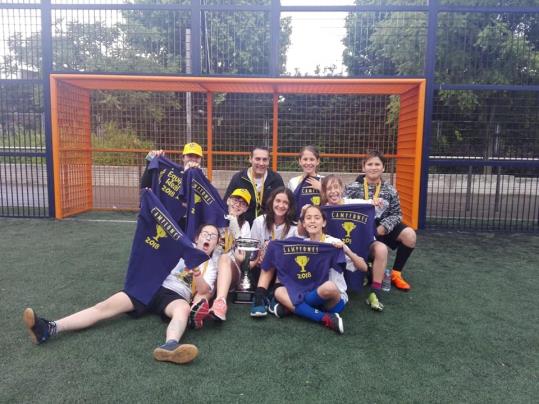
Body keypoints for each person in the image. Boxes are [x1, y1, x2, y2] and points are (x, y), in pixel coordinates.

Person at [23, 224, 220, 365]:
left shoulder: (210, 265)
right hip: (151, 285)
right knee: (103, 307)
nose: (208, 238)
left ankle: (170, 346)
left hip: (176, 295)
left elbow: (204, 291)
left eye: (213, 237)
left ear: (216, 245)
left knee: (183, 309)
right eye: (205, 234)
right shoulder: (180, 248)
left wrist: (196, 273)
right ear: (197, 237)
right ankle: (48, 328)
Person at [255, 205, 365, 334]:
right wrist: (272, 245)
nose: (312, 221)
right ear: (304, 223)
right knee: (279, 291)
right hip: (307, 292)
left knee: (328, 287)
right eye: (308, 218)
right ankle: (324, 318)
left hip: (330, 298)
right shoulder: (301, 244)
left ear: (323, 222)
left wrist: (346, 250)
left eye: (317, 218)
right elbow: (282, 253)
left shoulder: (333, 243)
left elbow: (362, 267)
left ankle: (291, 308)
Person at [344, 151, 416, 291]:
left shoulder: (390, 190)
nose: (373, 167)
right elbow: (343, 208)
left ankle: (396, 274)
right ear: (363, 167)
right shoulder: (352, 188)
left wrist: (384, 227)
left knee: (410, 235)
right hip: (360, 228)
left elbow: (397, 214)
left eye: (377, 164)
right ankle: (366, 270)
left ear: (383, 168)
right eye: (369, 164)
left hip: (382, 226)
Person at [320, 174, 388, 311]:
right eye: (329, 189)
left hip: (362, 244)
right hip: (339, 250)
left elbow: (380, 207)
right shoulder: (323, 209)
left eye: (336, 187)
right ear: (324, 193)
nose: (333, 191)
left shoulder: (353, 203)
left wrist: (377, 202)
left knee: (381, 249)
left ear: (342, 189)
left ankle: (376, 290)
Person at [249, 187, 298, 317]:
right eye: (278, 201)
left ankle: (275, 296)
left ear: (290, 206)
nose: (281, 205)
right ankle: (259, 298)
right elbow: (254, 249)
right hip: (261, 269)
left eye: (285, 203)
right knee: (271, 254)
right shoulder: (259, 222)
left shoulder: (294, 227)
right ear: (272, 201)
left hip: (284, 274)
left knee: (279, 255)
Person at [208, 188, 252, 321]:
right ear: (228, 200)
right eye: (235, 200)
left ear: (246, 209)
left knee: (225, 257)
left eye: (243, 203)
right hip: (210, 268)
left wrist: (235, 231)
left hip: (231, 270)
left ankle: (220, 303)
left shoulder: (245, 225)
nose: (238, 204)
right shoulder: (214, 218)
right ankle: (199, 305)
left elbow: (241, 258)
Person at [224, 146, 284, 226]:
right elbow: (226, 203)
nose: (261, 163)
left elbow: (283, 203)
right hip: (244, 227)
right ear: (250, 159)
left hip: (268, 227)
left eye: (265, 159)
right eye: (257, 159)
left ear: (269, 161)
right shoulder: (239, 178)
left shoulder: (276, 179)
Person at [286, 145, 323, 217]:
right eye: (305, 159)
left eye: (312, 159)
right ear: (300, 161)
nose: (308, 163)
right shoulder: (293, 182)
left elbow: (333, 202)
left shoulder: (324, 181)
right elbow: (289, 205)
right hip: (298, 222)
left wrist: (321, 188)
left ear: (317, 161)